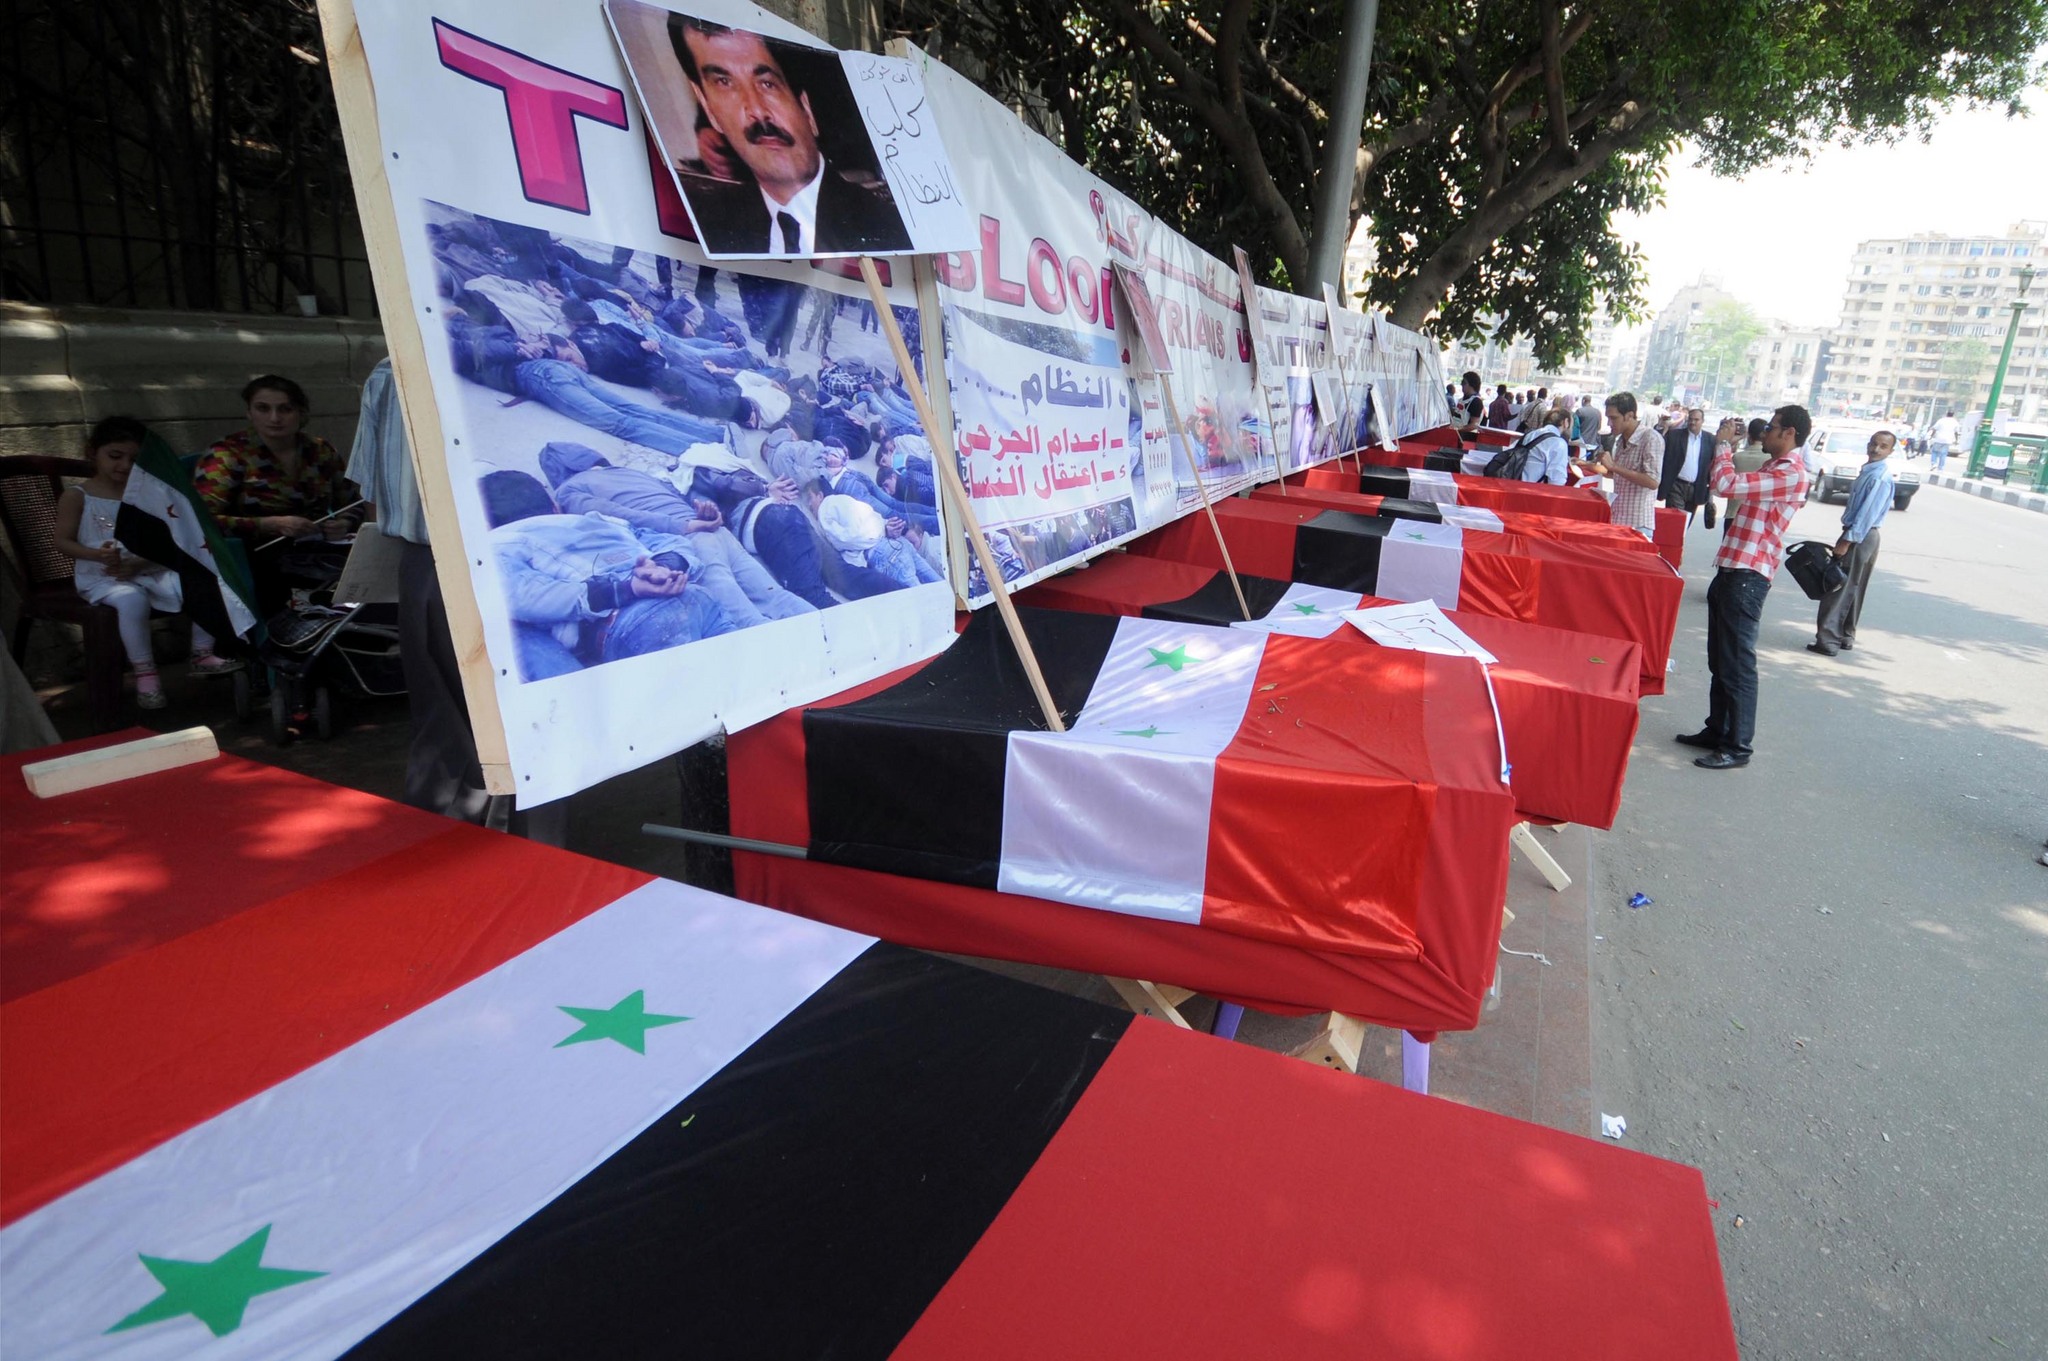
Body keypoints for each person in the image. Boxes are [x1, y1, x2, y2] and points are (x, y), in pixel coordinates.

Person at [345, 358, 490, 821]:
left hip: (430, 563)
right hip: (462, 556)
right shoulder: (403, 367)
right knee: (507, 724)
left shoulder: (392, 368)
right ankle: (504, 840)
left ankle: (451, 833)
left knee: (445, 719)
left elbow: (372, 491)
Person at [669, 19, 910, 257]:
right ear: (708, 107)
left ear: (807, 109)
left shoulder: (887, 228)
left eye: (767, 84)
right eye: (724, 83)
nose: (756, 110)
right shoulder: (715, 231)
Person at [54, 416, 241, 709]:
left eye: (134, 460)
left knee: (207, 578)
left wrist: (141, 562)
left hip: (150, 568)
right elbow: (62, 542)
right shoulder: (78, 496)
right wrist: (97, 555)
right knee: (131, 599)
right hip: (104, 577)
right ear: (92, 452)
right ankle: (145, 674)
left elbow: (171, 539)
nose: (124, 466)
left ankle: (202, 652)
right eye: (115, 456)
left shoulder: (149, 494)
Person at [480, 470, 736, 682]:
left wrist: (627, 588)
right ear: (554, 507)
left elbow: (527, 596)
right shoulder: (599, 520)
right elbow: (670, 541)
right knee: (744, 681)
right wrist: (663, 568)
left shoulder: (498, 543)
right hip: (696, 597)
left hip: (637, 623)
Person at [537, 441, 814, 628]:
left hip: (687, 541)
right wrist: (705, 518)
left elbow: (620, 516)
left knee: (748, 622)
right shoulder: (631, 473)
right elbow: (680, 498)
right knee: (777, 598)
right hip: (715, 532)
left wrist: (685, 526)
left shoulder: (569, 490)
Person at [1678, 404, 1812, 770]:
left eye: (1772, 427)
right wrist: (1727, 449)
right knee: (1721, 660)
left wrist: (1723, 446)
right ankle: (1717, 730)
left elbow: (1726, 485)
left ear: (1789, 433)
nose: (1764, 432)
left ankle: (1737, 746)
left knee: (1737, 665)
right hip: (1734, 568)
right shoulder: (1773, 467)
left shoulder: (1791, 473)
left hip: (1748, 575)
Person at [194, 375, 362, 619]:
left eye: (285, 409)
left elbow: (354, 502)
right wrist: (271, 524)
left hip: (318, 550)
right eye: (263, 408)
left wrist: (344, 523)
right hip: (255, 555)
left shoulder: (319, 450)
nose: (274, 418)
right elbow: (199, 521)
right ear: (250, 413)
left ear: (301, 413)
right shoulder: (227, 454)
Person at [1809, 429, 1896, 657]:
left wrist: (1847, 540)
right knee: (1854, 586)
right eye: (1873, 444)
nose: (1876, 449)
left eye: (1883, 446)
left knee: (1839, 586)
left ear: (1891, 451)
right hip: (1864, 535)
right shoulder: (1870, 471)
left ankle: (1828, 640)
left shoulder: (1878, 477)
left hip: (1861, 535)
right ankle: (1845, 635)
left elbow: (1866, 514)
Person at [1575, 391, 1661, 537]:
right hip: (1617, 518)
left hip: (1638, 524)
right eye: (1608, 418)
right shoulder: (1621, 440)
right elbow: (1614, 473)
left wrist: (1613, 466)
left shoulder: (1651, 438)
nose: (1609, 423)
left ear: (1629, 415)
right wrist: (1586, 465)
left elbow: (1652, 481)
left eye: (1613, 418)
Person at [1660, 407, 1717, 527]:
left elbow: (1713, 463)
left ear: (1702, 421)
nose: (1692, 422)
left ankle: (1680, 538)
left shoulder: (1710, 440)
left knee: (1686, 523)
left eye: (1696, 420)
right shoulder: (1675, 436)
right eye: (1690, 419)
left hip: (1696, 488)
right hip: (1676, 486)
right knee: (1676, 522)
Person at [1719, 417, 1768, 529]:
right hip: (1756, 515)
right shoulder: (1770, 460)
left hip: (1734, 512)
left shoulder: (1737, 457)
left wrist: (1734, 439)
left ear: (1748, 435)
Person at [1503, 406, 1572, 484]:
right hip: (1532, 488)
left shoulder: (1530, 434)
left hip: (1513, 482)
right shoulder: (1559, 443)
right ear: (1566, 422)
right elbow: (1557, 479)